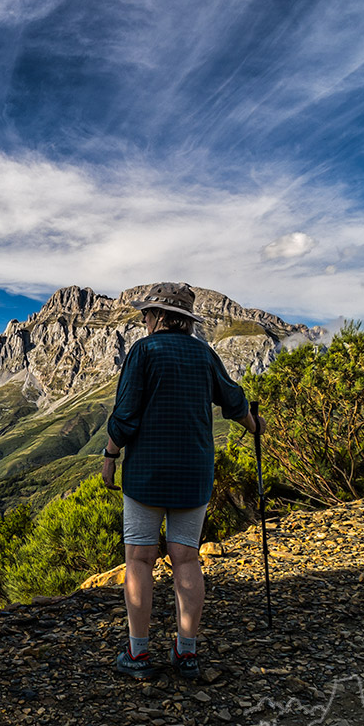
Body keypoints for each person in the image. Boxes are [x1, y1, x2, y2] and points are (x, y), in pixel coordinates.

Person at [101, 282, 264, 680]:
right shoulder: (205, 355)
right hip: (194, 473)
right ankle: (186, 653)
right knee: (186, 559)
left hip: (146, 475)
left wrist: (110, 455)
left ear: (158, 317)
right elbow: (234, 402)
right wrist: (255, 425)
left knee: (139, 559)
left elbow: (126, 415)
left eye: (146, 314)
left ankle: (138, 654)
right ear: (186, 321)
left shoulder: (143, 352)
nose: (143, 320)